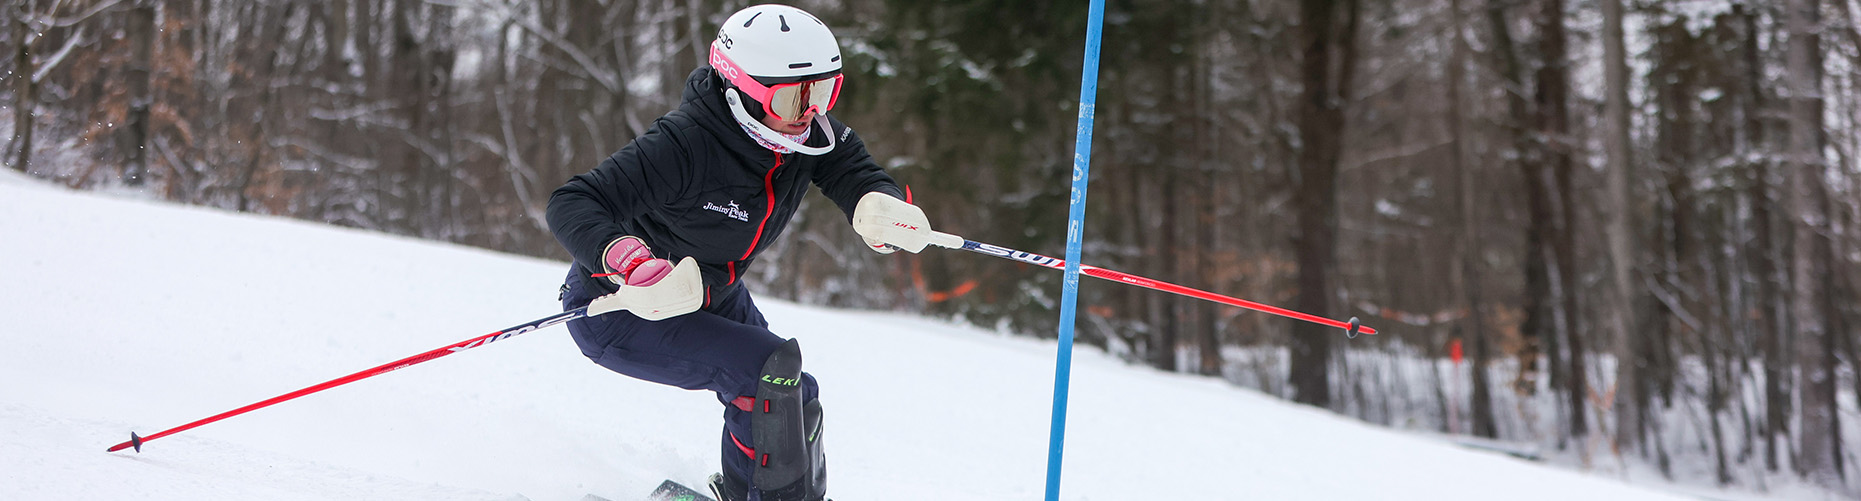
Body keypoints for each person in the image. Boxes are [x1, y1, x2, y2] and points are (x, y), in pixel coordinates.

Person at [545, 4, 941, 501]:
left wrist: (878, 204)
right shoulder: (685, 143)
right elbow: (573, 201)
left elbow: (853, 171)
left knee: (795, 393)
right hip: (624, 306)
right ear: (744, 91)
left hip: (711, 291)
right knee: (765, 376)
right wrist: (629, 261)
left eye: (825, 91)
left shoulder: (807, 137)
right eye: (795, 97)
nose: (812, 110)